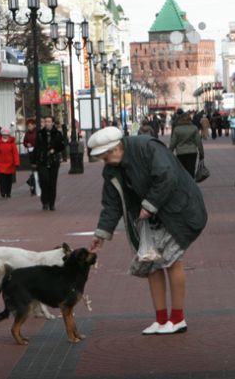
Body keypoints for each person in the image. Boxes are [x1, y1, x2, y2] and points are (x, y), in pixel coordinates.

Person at [87, 127, 207, 335]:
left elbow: (167, 176)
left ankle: (177, 318)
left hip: (178, 210)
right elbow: (111, 204)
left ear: (116, 148)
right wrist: (102, 234)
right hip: (153, 217)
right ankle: (161, 319)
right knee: (151, 263)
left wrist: (149, 204)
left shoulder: (147, 146)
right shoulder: (111, 169)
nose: (105, 162)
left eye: (105, 156)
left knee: (171, 261)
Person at [31, 115, 64, 211]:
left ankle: (52, 203)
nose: (47, 123)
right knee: (44, 181)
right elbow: (36, 147)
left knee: (52, 183)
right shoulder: (40, 133)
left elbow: (62, 146)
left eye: (49, 121)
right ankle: (45, 201)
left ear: (52, 123)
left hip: (53, 160)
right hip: (42, 160)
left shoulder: (57, 133)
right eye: (45, 121)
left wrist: (55, 149)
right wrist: (34, 161)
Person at [169, 112, 204, 177]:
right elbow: (198, 142)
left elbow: (173, 143)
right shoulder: (194, 128)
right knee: (191, 171)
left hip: (180, 153)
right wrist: (201, 153)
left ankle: (185, 185)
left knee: (182, 171)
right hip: (192, 152)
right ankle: (191, 185)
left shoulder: (177, 129)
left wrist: (169, 152)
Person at [0, 128, 20, 198]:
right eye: (3, 135)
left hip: (10, 164)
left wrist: (17, 162)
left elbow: (15, 153)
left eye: (6, 135)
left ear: (8, 135)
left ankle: (8, 192)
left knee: (9, 179)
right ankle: (3, 192)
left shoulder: (12, 143)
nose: (5, 136)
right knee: (2, 179)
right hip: (1, 164)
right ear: (1, 135)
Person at [23, 118, 39, 196]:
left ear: (33, 125)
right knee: (33, 170)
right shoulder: (27, 134)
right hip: (31, 153)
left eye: (29, 126)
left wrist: (35, 145)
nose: (28, 127)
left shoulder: (37, 133)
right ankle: (33, 187)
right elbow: (24, 142)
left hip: (37, 153)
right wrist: (27, 144)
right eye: (27, 126)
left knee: (37, 170)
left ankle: (34, 185)